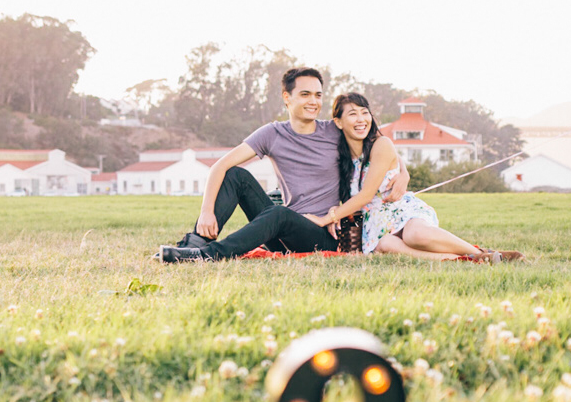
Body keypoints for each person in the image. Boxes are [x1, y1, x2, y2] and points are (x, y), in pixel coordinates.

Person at [159, 66, 408, 262]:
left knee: (278, 213)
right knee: (237, 176)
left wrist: (403, 173)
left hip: (320, 234)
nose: (313, 101)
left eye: (318, 95)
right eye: (305, 94)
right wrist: (206, 211)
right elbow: (220, 166)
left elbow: (378, 143)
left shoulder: (334, 129)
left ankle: (208, 256)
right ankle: (194, 246)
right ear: (287, 98)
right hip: (283, 230)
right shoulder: (272, 134)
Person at [330, 92, 514, 260]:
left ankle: (481, 254)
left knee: (415, 235)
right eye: (353, 114)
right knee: (386, 244)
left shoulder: (378, 143)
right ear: (338, 122)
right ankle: (462, 260)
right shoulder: (336, 152)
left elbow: (380, 172)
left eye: (364, 112)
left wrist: (404, 173)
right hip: (376, 224)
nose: (361, 119)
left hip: (402, 209)